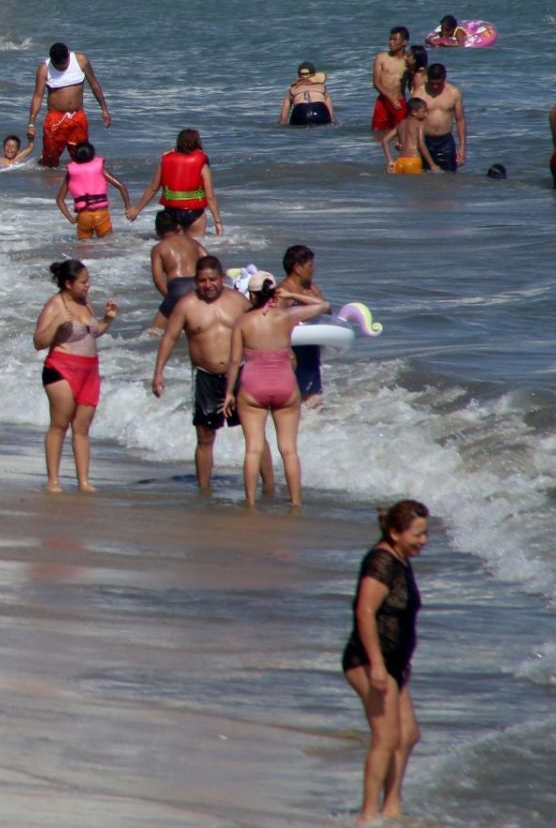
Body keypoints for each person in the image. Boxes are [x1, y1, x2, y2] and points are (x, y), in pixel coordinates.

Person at [152, 255, 273, 495]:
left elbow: (262, 329)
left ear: (222, 278)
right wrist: (158, 372)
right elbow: (169, 337)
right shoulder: (186, 305)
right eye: (202, 280)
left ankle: (269, 487)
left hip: (240, 373)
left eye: (212, 280)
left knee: (254, 432)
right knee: (205, 436)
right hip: (205, 376)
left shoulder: (238, 302)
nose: (208, 285)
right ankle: (204, 490)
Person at [341, 500, 430, 823]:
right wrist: (377, 665)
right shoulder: (381, 562)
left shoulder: (401, 559)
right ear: (394, 533)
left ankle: (391, 806)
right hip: (366, 660)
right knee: (386, 737)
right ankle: (367, 816)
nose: (423, 541)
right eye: (417, 534)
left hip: (394, 664)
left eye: (425, 533)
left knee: (408, 736)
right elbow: (364, 612)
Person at [225, 270, 328, 506]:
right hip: (285, 384)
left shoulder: (242, 322)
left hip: (253, 386)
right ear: (273, 291)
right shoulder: (288, 315)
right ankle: (295, 502)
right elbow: (323, 305)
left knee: (253, 449)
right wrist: (291, 294)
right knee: (289, 450)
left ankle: (250, 502)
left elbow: (233, 362)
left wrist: (229, 393)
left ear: (251, 295)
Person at [33, 260, 116, 493]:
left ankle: (84, 481)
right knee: (59, 425)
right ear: (68, 283)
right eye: (83, 282)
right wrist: (57, 325)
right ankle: (53, 481)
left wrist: (108, 319)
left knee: (82, 429)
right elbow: (38, 342)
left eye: (88, 280)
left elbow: (93, 332)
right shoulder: (55, 305)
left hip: (90, 371)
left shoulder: (85, 302)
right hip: (61, 369)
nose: (88, 285)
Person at [26, 41, 111, 168]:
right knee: (50, 160)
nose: (61, 67)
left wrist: (104, 109)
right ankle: (48, 184)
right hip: (55, 119)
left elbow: (94, 85)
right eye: (58, 65)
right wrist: (31, 123)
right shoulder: (44, 68)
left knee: (82, 157)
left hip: (78, 116)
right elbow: (38, 96)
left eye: (64, 64)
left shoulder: (80, 60)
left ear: (68, 56)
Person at [130, 129, 223, 237]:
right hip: (194, 214)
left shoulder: (165, 160)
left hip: (171, 214)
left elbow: (153, 188)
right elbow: (210, 195)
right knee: (193, 250)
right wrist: (217, 222)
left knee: (171, 247)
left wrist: (136, 210)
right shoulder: (201, 163)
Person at [280, 244, 329, 406]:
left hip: (310, 347)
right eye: (310, 266)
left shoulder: (310, 287)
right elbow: (275, 324)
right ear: (297, 268)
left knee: (313, 398)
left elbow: (326, 308)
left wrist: (295, 295)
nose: (313, 269)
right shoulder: (282, 292)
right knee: (294, 399)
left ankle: (314, 429)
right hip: (293, 350)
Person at [55, 140, 132, 239]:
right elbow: (121, 187)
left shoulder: (71, 173)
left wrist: (71, 219)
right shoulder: (99, 168)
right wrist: (128, 207)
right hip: (101, 215)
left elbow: (59, 200)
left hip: (83, 217)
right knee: (108, 245)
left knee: (84, 250)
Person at [145, 208, 206, 333]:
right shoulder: (193, 242)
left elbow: (157, 279)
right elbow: (208, 261)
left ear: (157, 231)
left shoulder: (158, 248)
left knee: (153, 333)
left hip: (178, 288)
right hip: (198, 284)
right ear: (178, 227)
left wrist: (169, 298)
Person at [419, 63, 465, 172]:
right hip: (425, 142)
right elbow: (411, 120)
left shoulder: (454, 93)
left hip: (446, 143)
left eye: (438, 84)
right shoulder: (419, 93)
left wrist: (462, 148)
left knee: (450, 179)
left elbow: (460, 120)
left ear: (444, 78)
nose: (435, 87)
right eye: (432, 83)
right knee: (422, 180)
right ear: (427, 78)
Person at [370, 26, 411, 137]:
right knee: (377, 133)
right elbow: (376, 82)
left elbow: (414, 83)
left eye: (394, 40)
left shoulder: (409, 60)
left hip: (399, 102)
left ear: (404, 42)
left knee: (401, 134)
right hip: (383, 101)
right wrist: (390, 98)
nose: (390, 43)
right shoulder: (382, 57)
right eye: (390, 39)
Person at [382, 97, 433, 173]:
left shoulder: (400, 124)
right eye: (424, 111)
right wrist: (432, 165)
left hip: (399, 162)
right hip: (413, 161)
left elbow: (384, 140)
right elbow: (421, 145)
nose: (426, 114)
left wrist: (390, 160)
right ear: (414, 112)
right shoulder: (419, 124)